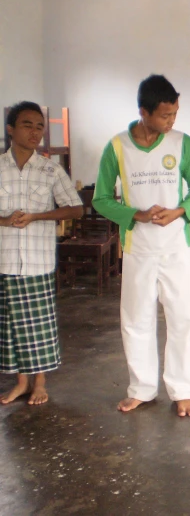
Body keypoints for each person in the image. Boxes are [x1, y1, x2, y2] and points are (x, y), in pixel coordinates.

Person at [92, 74, 190, 417]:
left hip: (175, 246)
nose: (172, 121)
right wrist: (135, 215)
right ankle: (141, 388)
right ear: (144, 112)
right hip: (138, 247)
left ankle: (182, 390)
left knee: (183, 317)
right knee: (136, 318)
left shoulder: (182, 143)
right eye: (165, 115)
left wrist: (180, 211)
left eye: (174, 114)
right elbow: (100, 199)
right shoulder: (117, 147)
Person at [0, 101, 83, 405]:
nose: (35, 131)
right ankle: (21, 383)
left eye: (39, 126)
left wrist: (36, 217)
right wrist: (5, 221)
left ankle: (40, 384)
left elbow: (75, 208)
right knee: (12, 326)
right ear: (10, 129)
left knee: (39, 326)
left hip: (38, 260)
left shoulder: (50, 169)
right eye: (27, 124)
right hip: (5, 260)